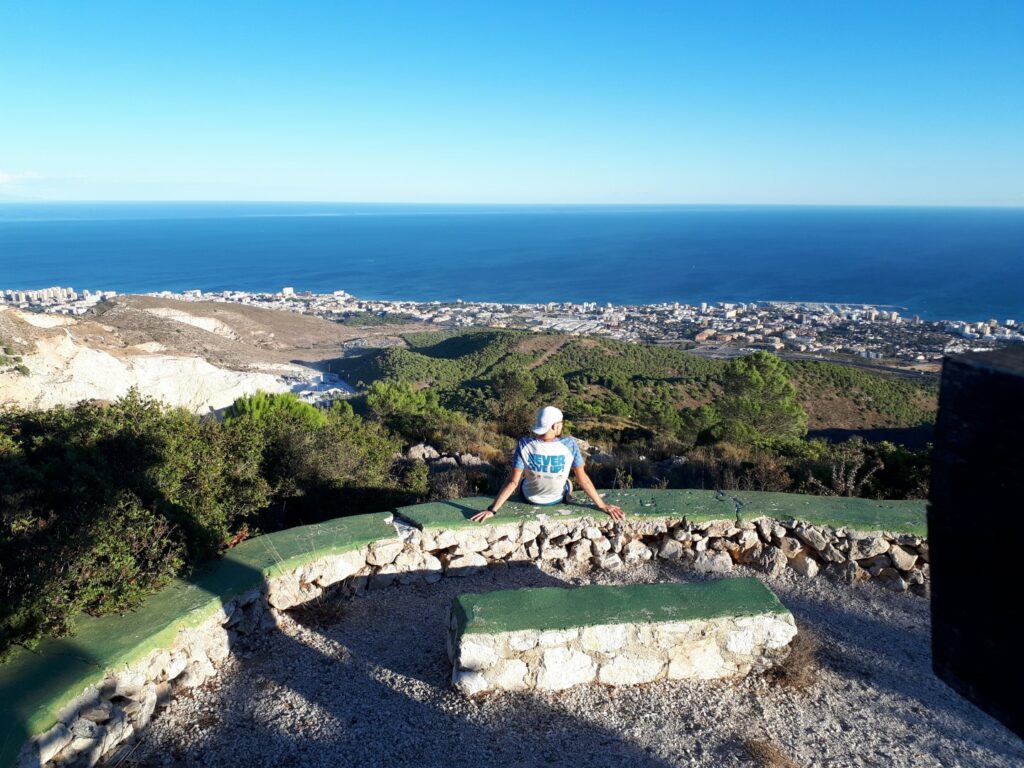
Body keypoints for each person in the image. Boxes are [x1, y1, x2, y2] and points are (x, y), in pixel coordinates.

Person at [471, 405, 625, 523]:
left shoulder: (524, 444)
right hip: (556, 499)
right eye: (560, 423)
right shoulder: (570, 444)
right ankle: (568, 497)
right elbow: (583, 480)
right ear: (554, 426)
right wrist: (603, 506)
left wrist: (493, 510)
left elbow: (512, 482)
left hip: (529, 498)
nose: (561, 426)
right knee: (569, 483)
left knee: (524, 478)